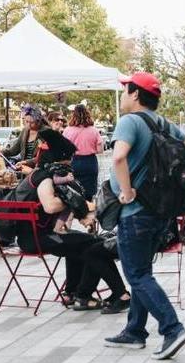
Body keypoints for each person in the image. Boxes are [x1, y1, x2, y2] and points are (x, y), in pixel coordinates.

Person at [104, 72, 185, 360]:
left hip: (135, 212)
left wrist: (127, 191)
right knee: (142, 272)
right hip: (158, 212)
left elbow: (119, 157)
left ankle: (172, 329)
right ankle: (134, 331)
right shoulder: (163, 123)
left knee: (136, 274)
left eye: (125, 90)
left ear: (135, 94)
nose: (123, 95)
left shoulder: (130, 122)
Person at [11, 129, 129, 313]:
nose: (71, 162)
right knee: (95, 245)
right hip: (38, 239)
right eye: (69, 159)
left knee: (81, 243)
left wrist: (77, 209)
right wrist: (71, 200)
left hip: (36, 236)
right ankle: (102, 295)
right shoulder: (44, 178)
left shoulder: (39, 174)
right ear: (60, 159)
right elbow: (50, 206)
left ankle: (74, 293)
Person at [63, 104, 103, 201]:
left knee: (73, 191)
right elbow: (100, 150)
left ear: (73, 115)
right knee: (89, 193)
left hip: (72, 162)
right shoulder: (94, 130)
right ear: (87, 114)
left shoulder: (67, 130)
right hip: (90, 162)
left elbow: (63, 149)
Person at [2, 105, 49, 171]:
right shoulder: (24, 131)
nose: (29, 125)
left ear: (38, 121)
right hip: (24, 170)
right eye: (26, 121)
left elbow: (44, 157)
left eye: (32, 122)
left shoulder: (46, 132)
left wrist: (26, 162)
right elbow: (14, 150)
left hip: (39, 171)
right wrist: (2, 151)